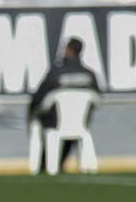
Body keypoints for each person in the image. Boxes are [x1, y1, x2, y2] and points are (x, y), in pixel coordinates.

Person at [28, 37, 101, 175]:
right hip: (80, 123)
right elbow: (97, 100)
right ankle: (58, 161)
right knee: (72, 126)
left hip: (55, 123)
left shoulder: (56, 73)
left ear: (68, 50)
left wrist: (33, 113)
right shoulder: (90, 75)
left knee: (44, 125)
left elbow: (38, 98)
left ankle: (47, 164)